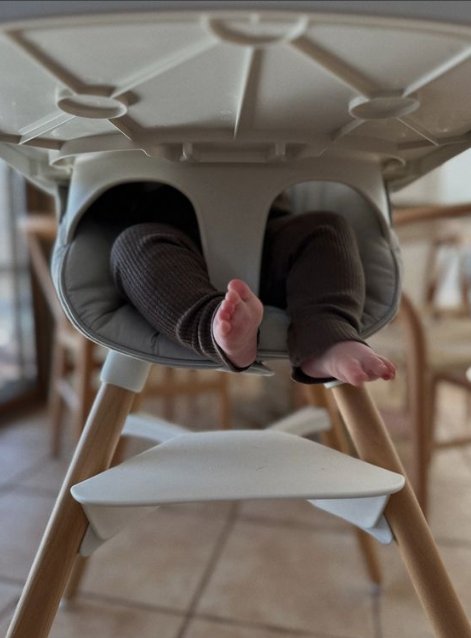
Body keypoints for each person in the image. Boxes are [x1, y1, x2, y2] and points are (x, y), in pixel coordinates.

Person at [107, 183, 396, 386]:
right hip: (172, 236)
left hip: (268, 238)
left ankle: (326, 334)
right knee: (132, 247)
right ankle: (216, 327)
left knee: (326, 229)